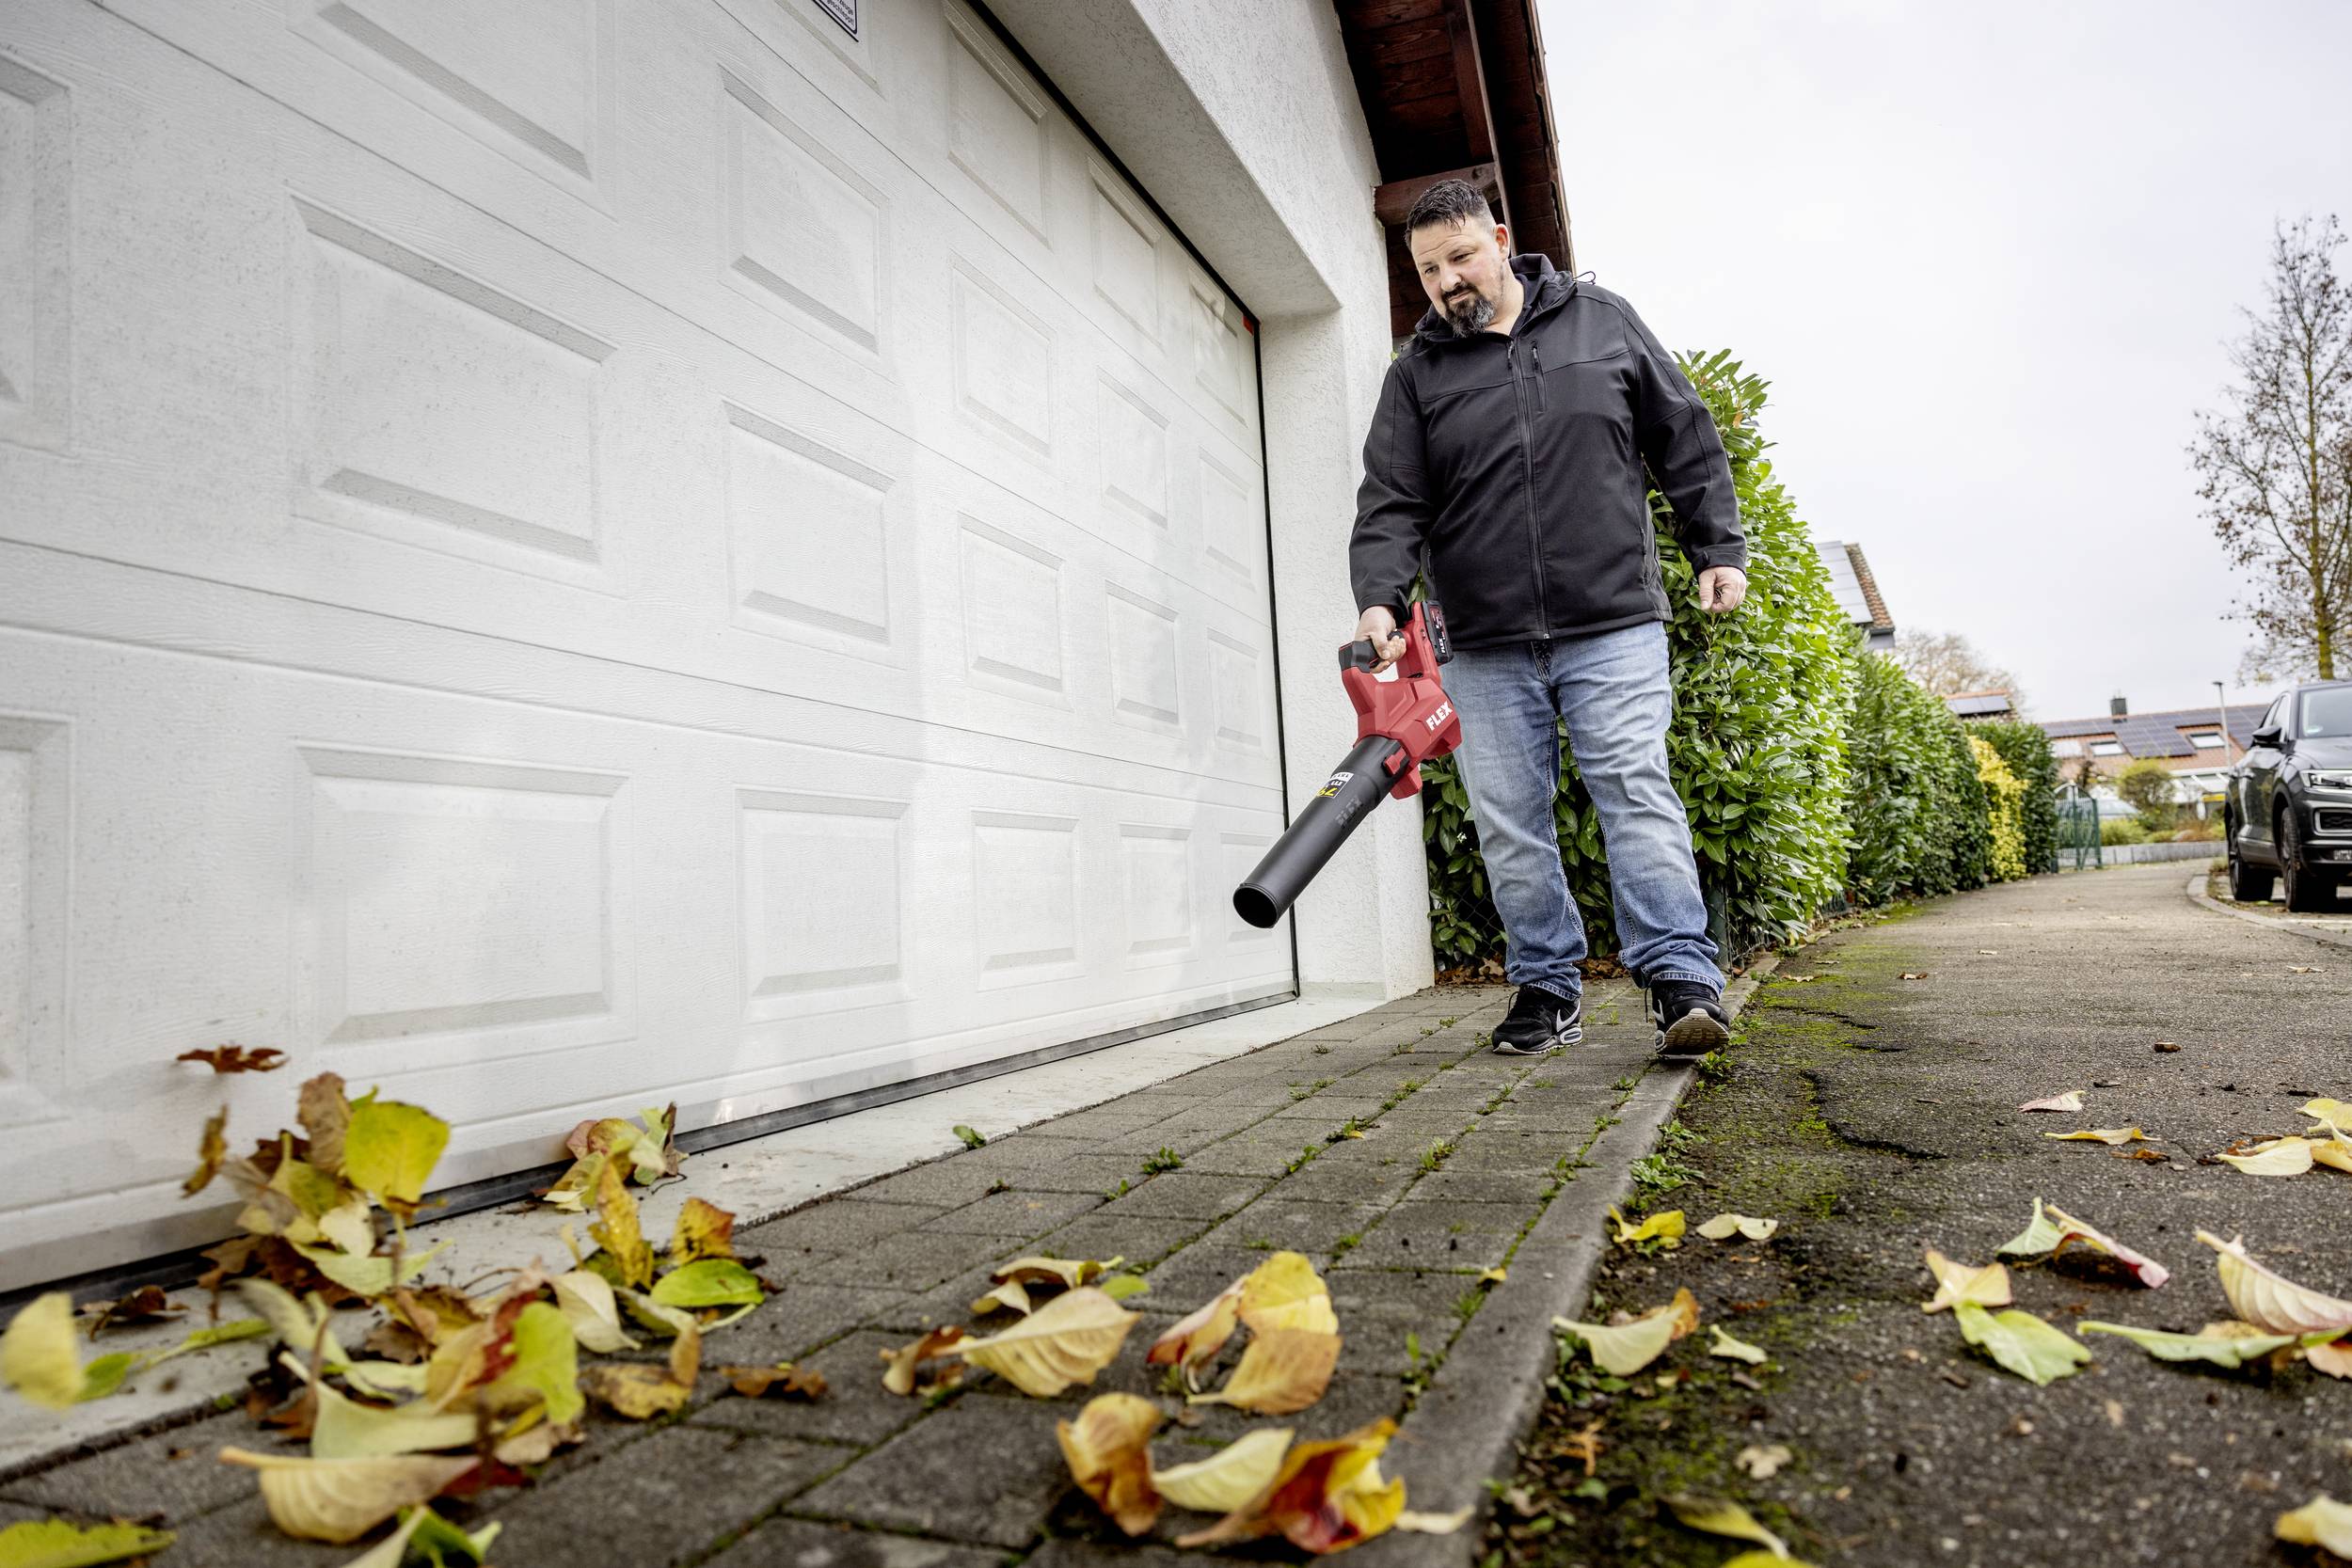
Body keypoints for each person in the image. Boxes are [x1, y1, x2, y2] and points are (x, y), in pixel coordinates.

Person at [1349, 178, 1747, 1057]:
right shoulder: (1416, 373)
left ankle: (1682, 975)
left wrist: (1715, 547)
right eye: (1428, 270)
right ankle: (1545, 984)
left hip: (1610, 620)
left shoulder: (1600, 321)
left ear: (1499, 239)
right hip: (1483, 640)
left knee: (1635, 791)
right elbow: (1391, 500)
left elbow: (1683, 432)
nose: (1448, 281)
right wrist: (1379, 595)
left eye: (1459, 258)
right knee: (1510, 818)